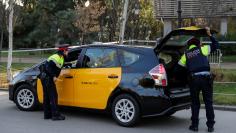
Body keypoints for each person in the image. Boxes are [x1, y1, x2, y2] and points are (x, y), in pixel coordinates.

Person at [178, 27, 219, 132]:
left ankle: (195, 126)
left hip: (194, 80)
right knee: (208, 102)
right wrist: (210, 35)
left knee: (195, 103)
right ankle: (210, 126)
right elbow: (216, 46)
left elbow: (179, 65)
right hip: (206, 79)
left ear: (189, 45)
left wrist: (189, 66)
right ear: (198, 44)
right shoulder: (202, 49)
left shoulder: (186, 54)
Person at [40, 44, 69, 121]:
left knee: (47, 97)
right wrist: (54, 76)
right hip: (48, 78)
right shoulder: (56, 57)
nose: (68, 52)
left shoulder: (60, 57)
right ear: (63, 51)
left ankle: (47, 115)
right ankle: (55, 115)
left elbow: (57, 66)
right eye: (67, 50)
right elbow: (48, 67)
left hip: (44, 78)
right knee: (53, 96)